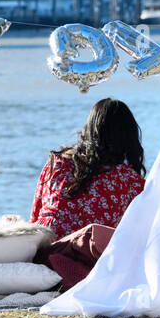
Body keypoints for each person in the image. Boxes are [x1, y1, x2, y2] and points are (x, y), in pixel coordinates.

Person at [29, 98, 146, 239]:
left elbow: (35, 217)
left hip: (44, 246)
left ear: (89, 130)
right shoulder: (129, 180)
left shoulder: (58, 163)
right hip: (85, 254)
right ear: (128, 136)